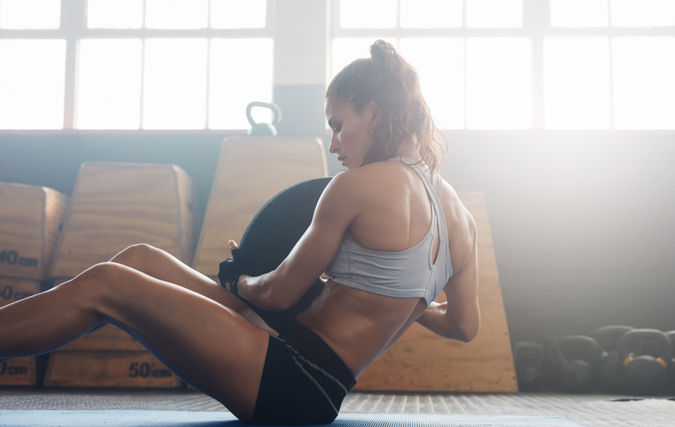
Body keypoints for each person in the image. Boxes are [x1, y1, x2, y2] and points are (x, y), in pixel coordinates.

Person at [0, 40, 479, 425]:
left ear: (373, 112)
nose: (334, 143)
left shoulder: (355, 186)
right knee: (140, 258)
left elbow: (276, 292)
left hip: (294, 379)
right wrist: (404, 295)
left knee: (107, 283)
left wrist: (240, 280)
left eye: (338, 125)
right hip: (302, 366)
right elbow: (463, 327)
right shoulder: (461, 219)